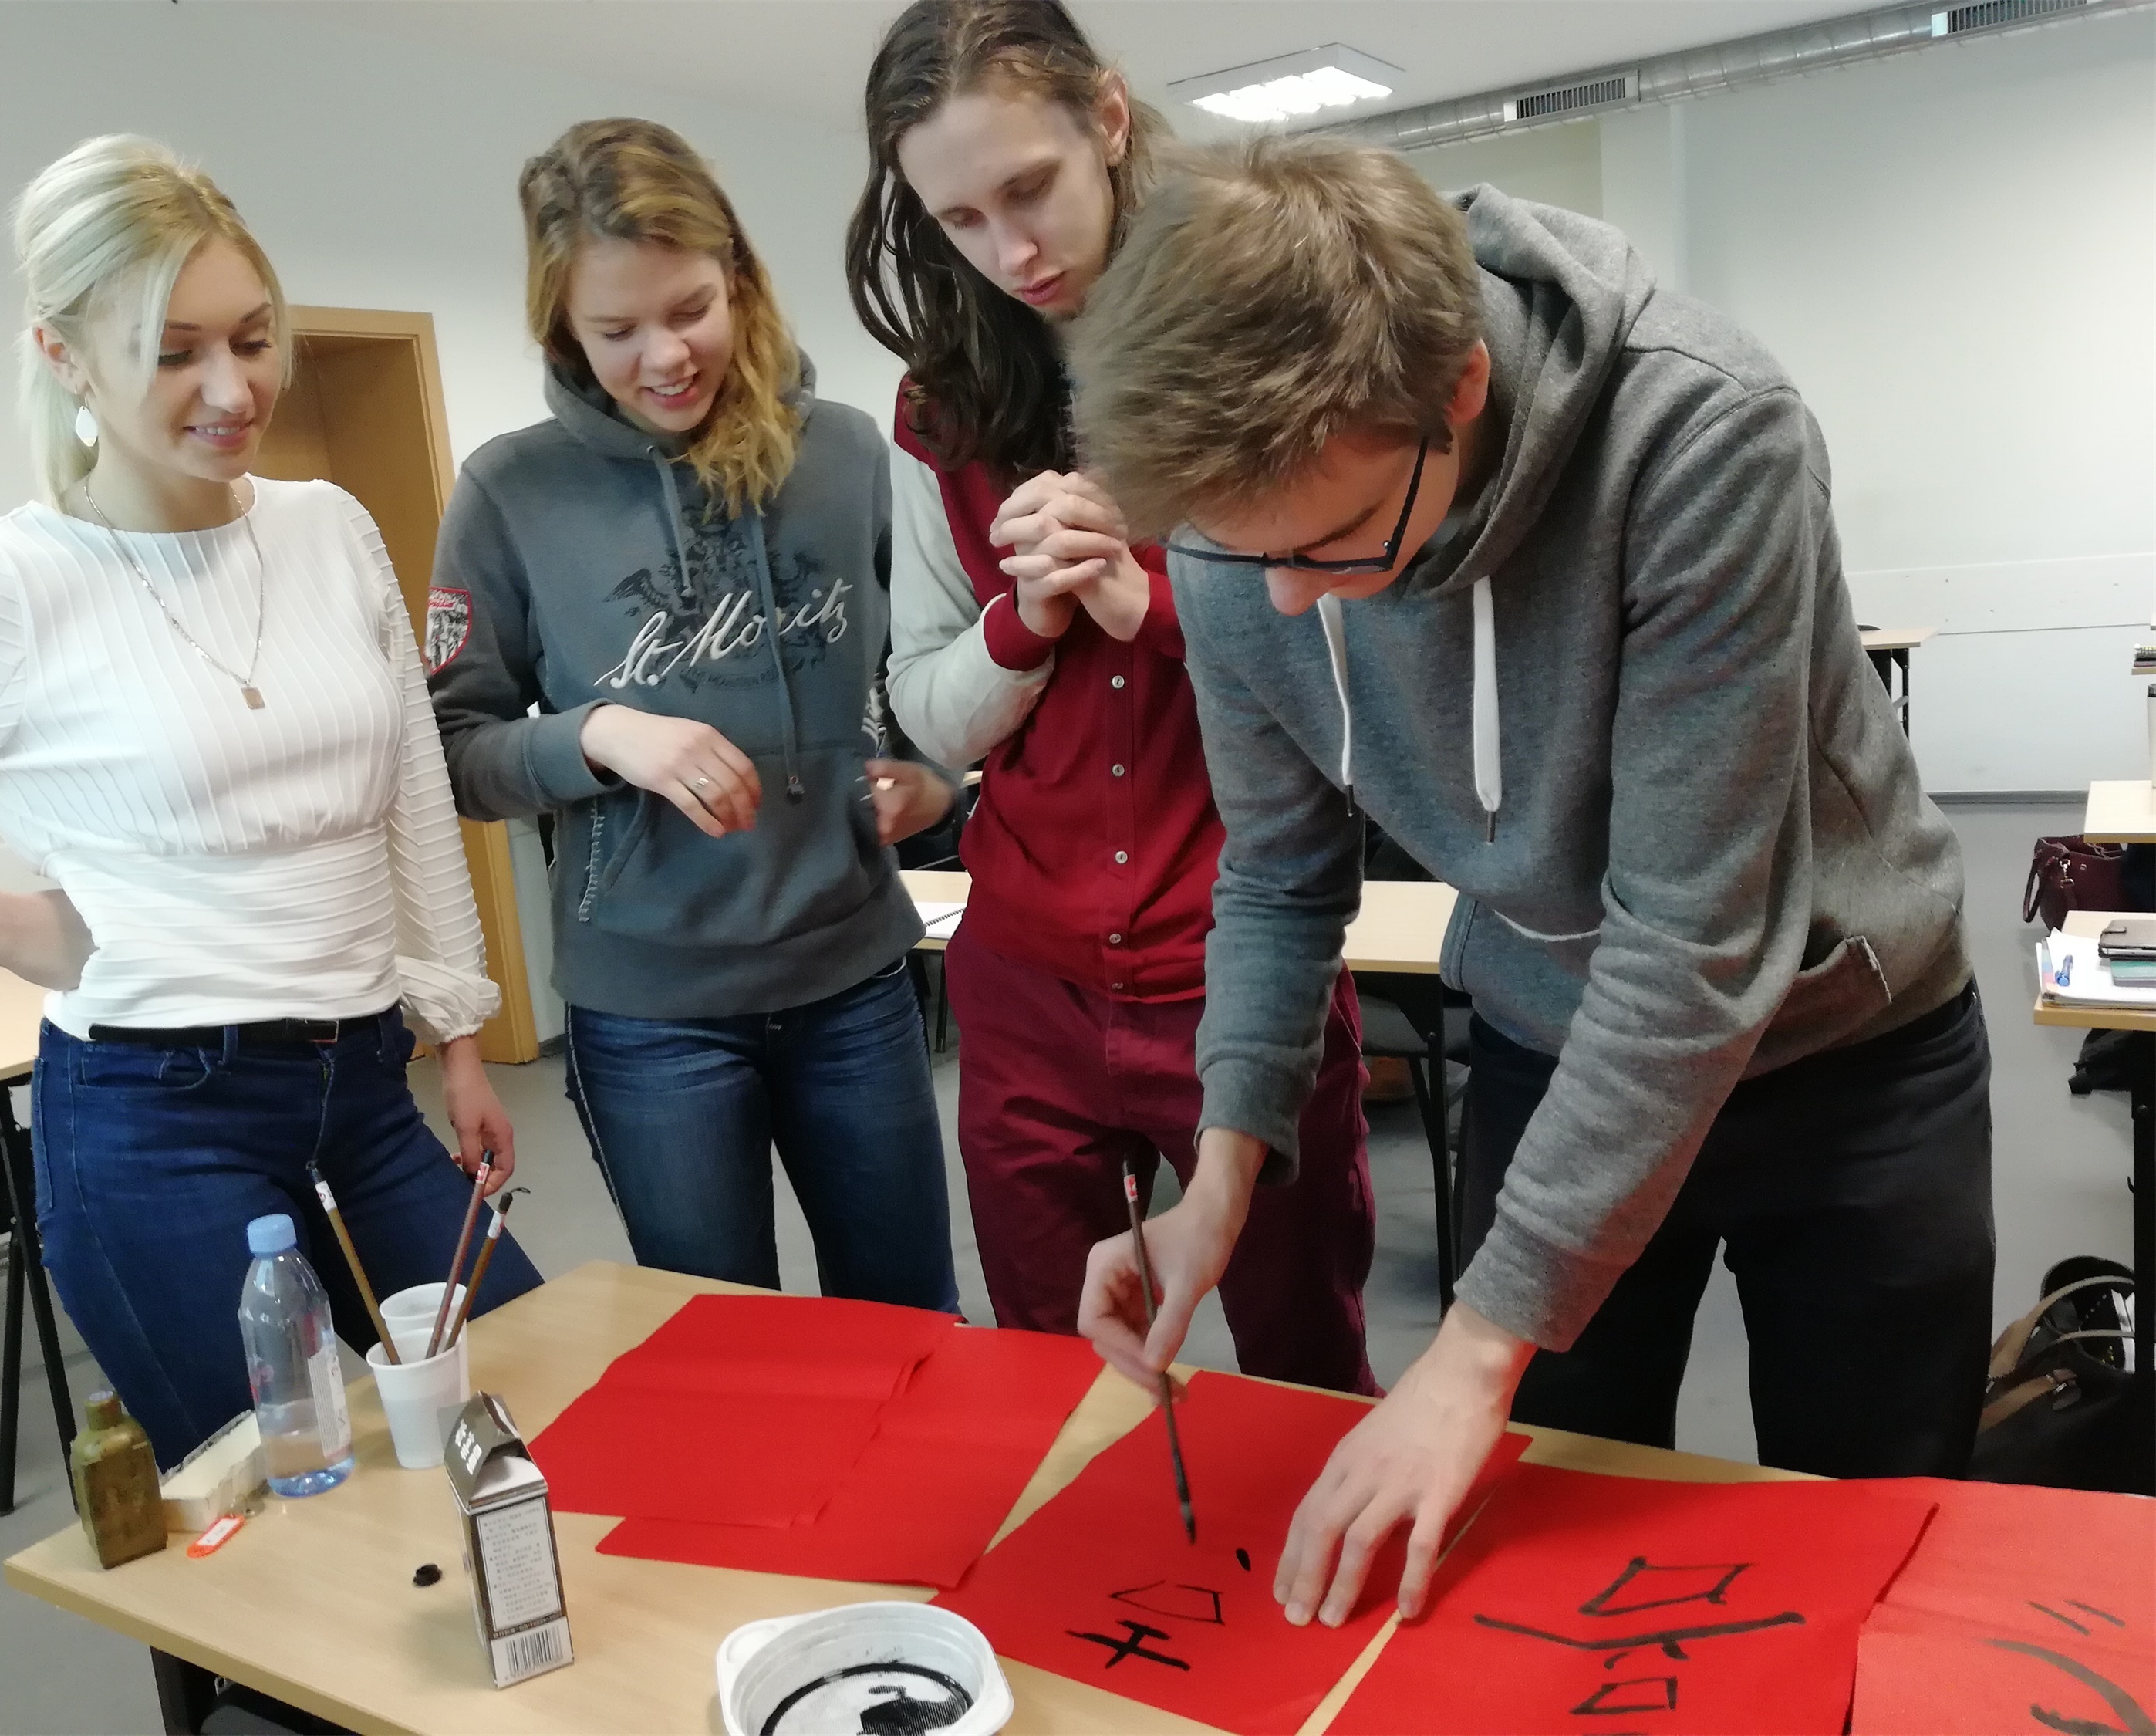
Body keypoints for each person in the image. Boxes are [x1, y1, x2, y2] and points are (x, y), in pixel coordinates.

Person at [1066, 136, 1990, 1627]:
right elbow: (1281, 875)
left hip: (1845, 1053)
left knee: (1873, 1543)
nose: (1281, 599)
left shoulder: (1703, 433)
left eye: (1328, 547)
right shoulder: (1251, 529)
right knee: (1546, 1553)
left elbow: (1689, 943)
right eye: (1241, 558)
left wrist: (1473, 1346)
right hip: (1549, 1043)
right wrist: (1217, 1175)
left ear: (1458, 392)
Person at [0, 136, 541, 1470]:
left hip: (365, 1088)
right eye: (173, 353)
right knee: (285, 1496)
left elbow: (407, 785)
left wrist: (458, 1035)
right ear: (63, 357)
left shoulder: (328, 526)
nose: (234, 388)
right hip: (155, 1117)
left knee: (522, 1426)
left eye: (254, 338)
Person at [843, 0, 1378, 1393]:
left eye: (1031, 188)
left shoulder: (1275, 330)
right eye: (960, 219)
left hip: (1243, 960)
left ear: (1113, 119)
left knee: (1304, 1358)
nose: (1009, 250)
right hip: (1028, 974)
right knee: (1052, 1371)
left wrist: (1161, 603)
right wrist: (1025, 623)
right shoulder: (942, 403)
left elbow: (1380, 680)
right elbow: (932, 715)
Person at [428, 119, 959, 1312]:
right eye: (617, 330)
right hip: (651, 1014)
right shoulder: (510, 492)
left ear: (740, 282)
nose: (666, 356)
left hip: (853, 978)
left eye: (691, 309)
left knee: (913, 1321)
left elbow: (926, 656)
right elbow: (455, 751)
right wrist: (597, 735)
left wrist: (936, 777)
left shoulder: (845, 454)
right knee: (722, 1352)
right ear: (563, 331)